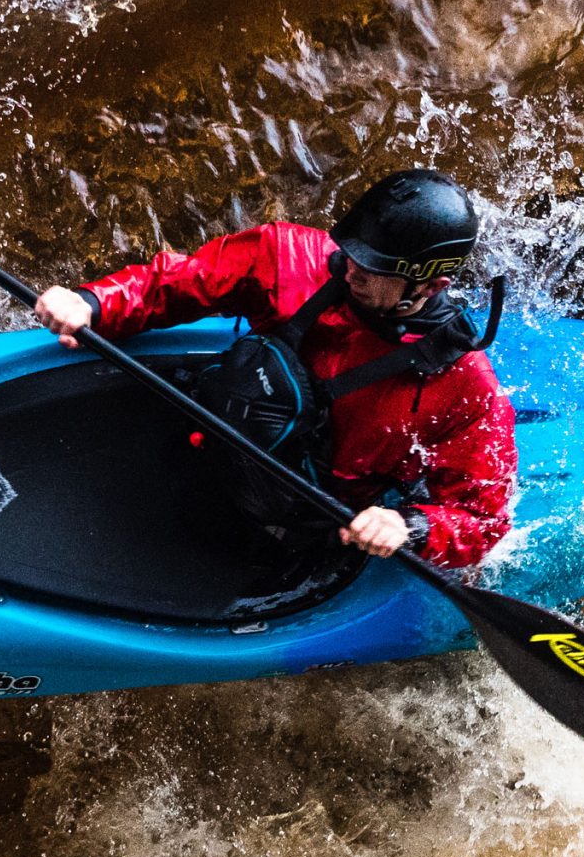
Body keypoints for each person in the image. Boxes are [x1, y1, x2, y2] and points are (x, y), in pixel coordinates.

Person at [32, 171, 517, 567]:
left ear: (430, 287)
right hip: (205, 442)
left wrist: (412, 526)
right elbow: (178, 282)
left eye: (370, 270)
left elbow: (483, 519)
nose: (349, 272)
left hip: (287, 535)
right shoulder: (289, 257)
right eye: (350, 254)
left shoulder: (464, 388)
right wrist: (95, 303)